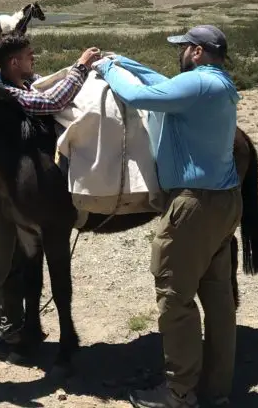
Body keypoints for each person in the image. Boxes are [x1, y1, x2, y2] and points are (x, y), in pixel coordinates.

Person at [93, 25, 241, 408]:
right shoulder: (217, 85)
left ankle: (178, 394)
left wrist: (109, 72)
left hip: (193, 207)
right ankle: (216, 390)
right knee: (218, 298)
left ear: (195, 52)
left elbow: (140, 95)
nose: (179, 55)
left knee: (175, 300)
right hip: (224, 202)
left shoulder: (197, 86)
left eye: (182, 49)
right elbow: (160, 82)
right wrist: (120, 59)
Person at [0, 33, 101, 361]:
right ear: (14, 63)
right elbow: (50, 103)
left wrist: (74, 71)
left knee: (20, 261)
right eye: (29, 56)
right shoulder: (5, 94)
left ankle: (20, 325)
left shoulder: (22, 81)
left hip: (15, 191)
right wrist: (81, 68)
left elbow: (47, 86)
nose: (34, 59)